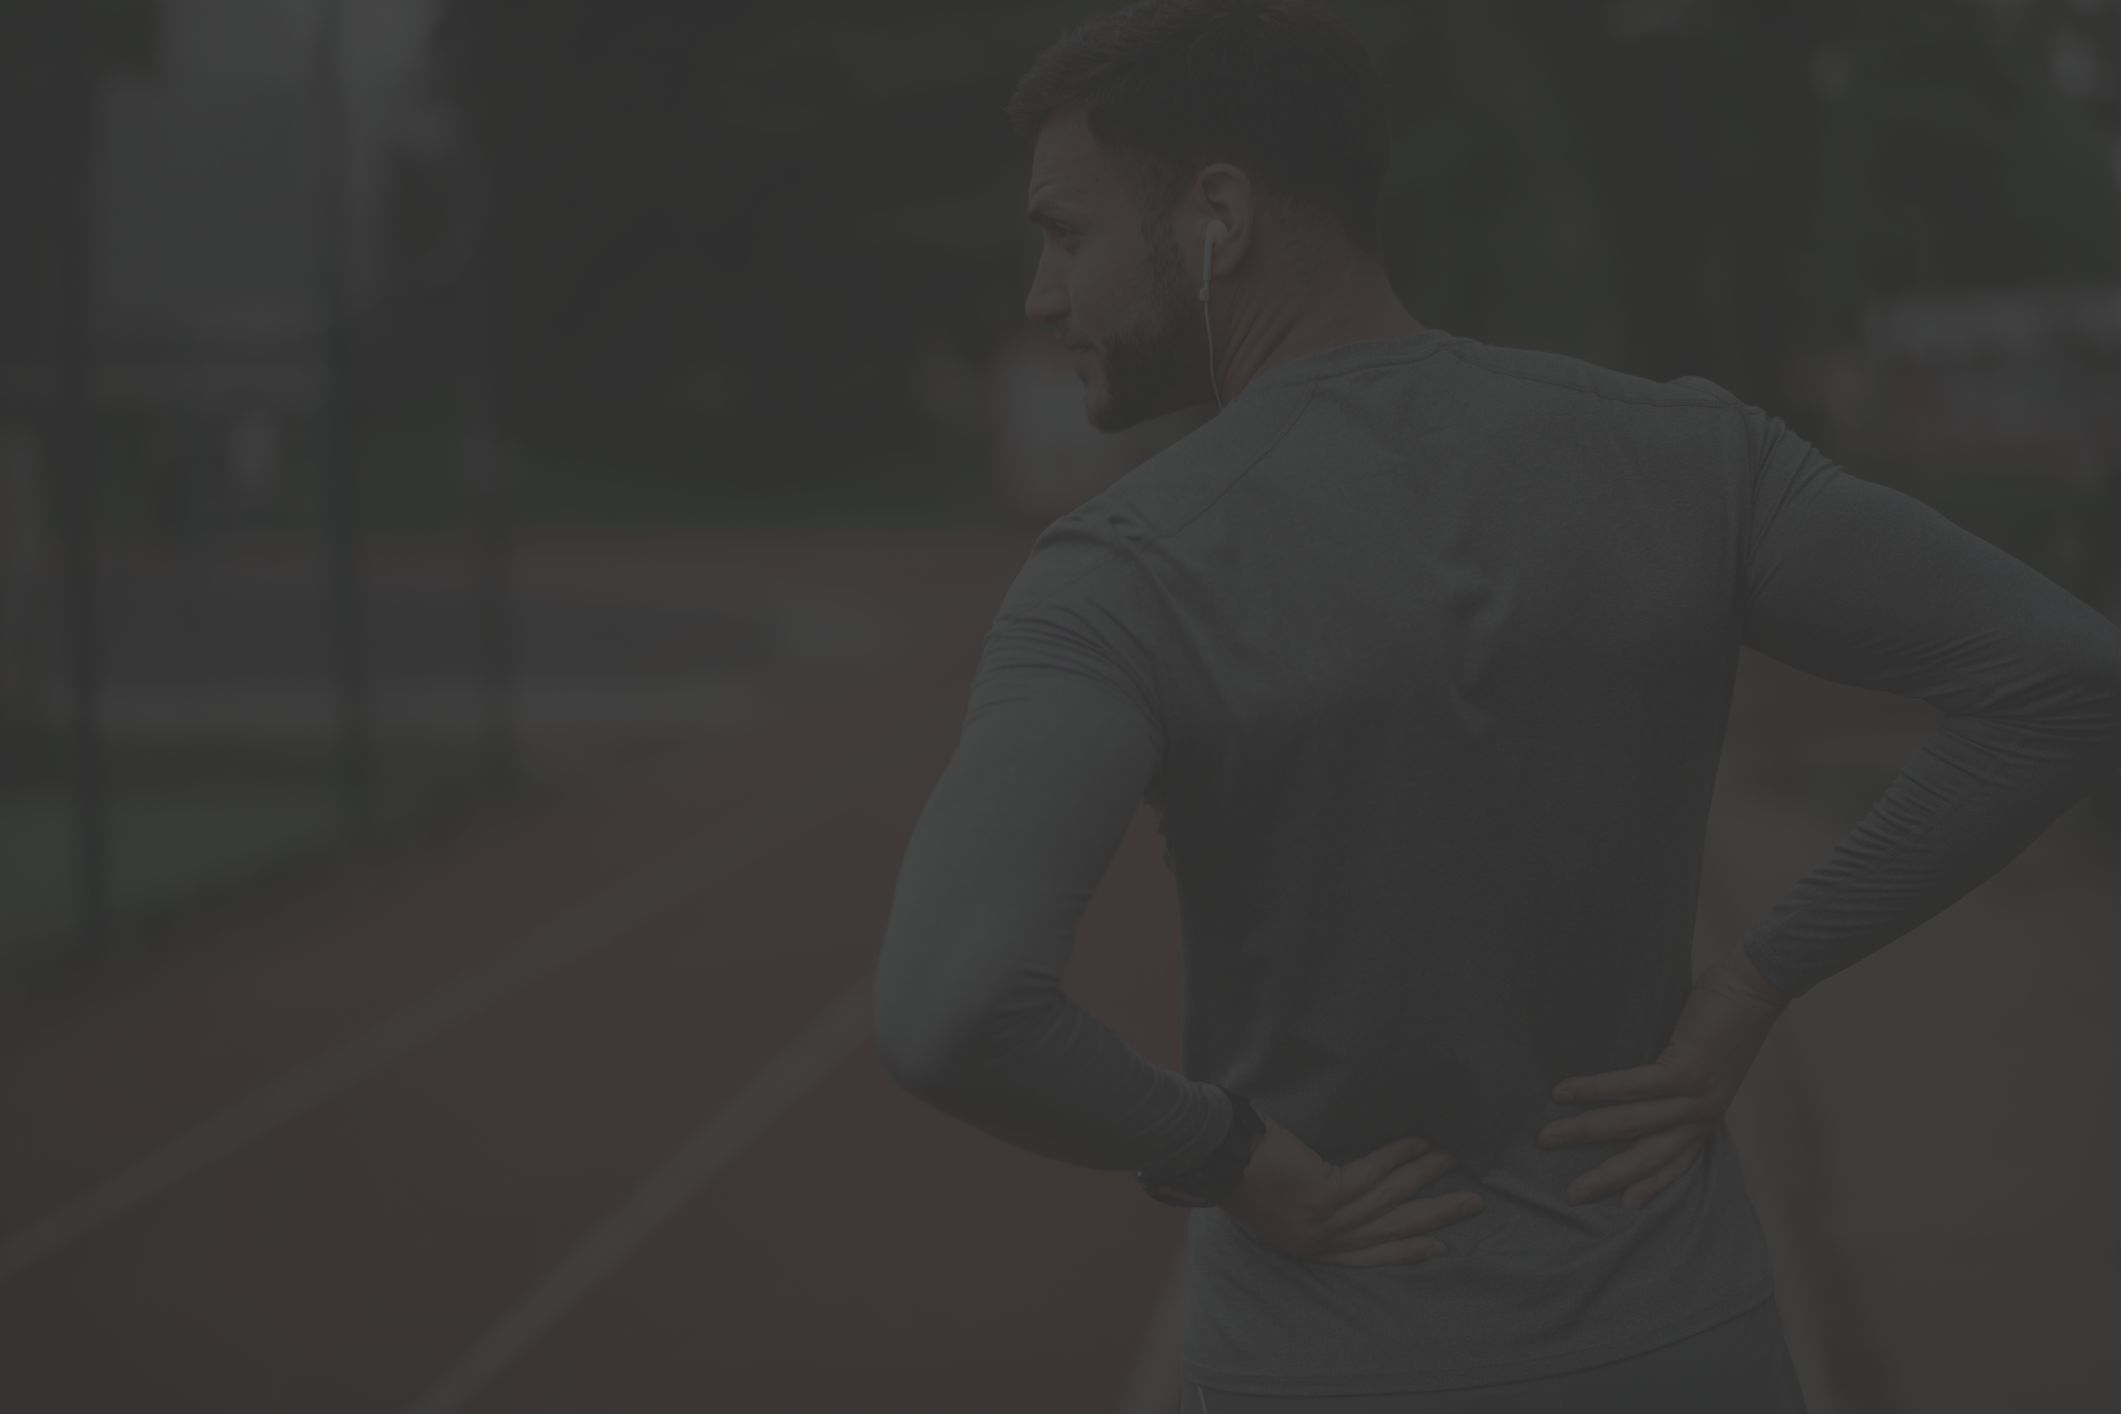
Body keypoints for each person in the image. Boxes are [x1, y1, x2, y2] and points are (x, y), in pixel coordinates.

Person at [867, 3, 2121, 1410]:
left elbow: (949, 1004)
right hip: (1680, 1342)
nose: (1043, 295)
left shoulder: (1123, 571)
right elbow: (2062, 679)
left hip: (1320, 1358)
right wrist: (1755, 980)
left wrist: (1223, 1150)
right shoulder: (1688, 456)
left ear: (1217, 213)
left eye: (1065, 232)